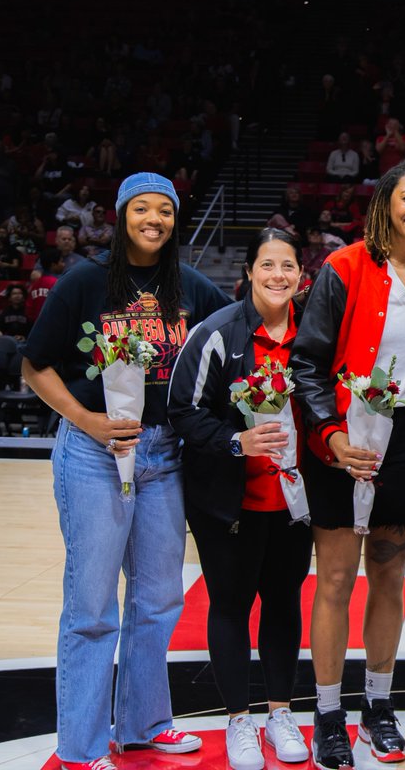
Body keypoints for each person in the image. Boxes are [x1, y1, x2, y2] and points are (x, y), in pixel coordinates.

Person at [19, 173, 229, 770]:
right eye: (143, 209)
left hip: (164, 455)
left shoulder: (190, 288)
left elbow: (237, 337)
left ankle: (143, 723)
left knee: (160, 598)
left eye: (165, 211)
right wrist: (86, 419)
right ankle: (81, 747)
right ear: (121, 215)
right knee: (91, 606)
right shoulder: (85, 281)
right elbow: (35, 366)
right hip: (94, 454)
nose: (154, 220)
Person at [290, 159, 405, 769]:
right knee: (334, 580)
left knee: (389, 577)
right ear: (386, 201)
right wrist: (330, 436)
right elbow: (306, 363)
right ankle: (328, 715)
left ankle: (378, 708)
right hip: (344, 443)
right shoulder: (344, 266)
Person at [167, 229, 313, 770]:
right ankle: (238, 719)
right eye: (268, 265)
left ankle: (279, 712)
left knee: (283, 604)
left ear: (302, 276)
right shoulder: (215, 333)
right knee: (230, 607)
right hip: (227, 504)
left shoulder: (312, 337)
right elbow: (183, 411)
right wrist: (237, 441)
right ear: (248, 271)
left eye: (289, 266)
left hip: (293, 505)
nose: (279, 275)